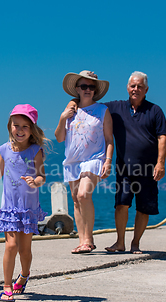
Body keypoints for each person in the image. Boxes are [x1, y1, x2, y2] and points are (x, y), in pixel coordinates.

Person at [67, 71, 166, 254]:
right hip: (124, 167)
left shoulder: (155, 111)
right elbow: (87, 102)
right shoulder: (115, 108)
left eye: (139, 86)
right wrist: (72, 102)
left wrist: (160, 163)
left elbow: (162, 138)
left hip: (148, 168)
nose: (135, 89)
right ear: (127, 88)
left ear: (146, 89)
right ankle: (120, 242)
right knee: (121, 204)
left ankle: (135, 243)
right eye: (132, 86)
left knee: (144, 208)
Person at [0, 104, 48, 302]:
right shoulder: (4, 149)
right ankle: (6, 285)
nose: (20, 130)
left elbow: (41, 175)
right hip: (9, 207)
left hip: (28, 208)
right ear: (10, 126)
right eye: (16, 125)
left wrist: (36, 181)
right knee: (10, 246)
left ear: (32, 129)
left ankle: (24, 275)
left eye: (25, 126)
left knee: (25, 250)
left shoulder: (35, 151)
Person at [55, 70, 114, 254]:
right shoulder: (70, 110)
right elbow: (59, 138)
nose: (87, 89)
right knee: (76, 200)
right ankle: (83, 241)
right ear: (77, 89)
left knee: (83, 195)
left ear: (95, 90)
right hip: (73, 161)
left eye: (91, 87)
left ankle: (88, 239)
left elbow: (109, 139)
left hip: (94, 159)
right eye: (84, 86)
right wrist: (63, 117)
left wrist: (108, 161)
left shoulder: (102, 111)